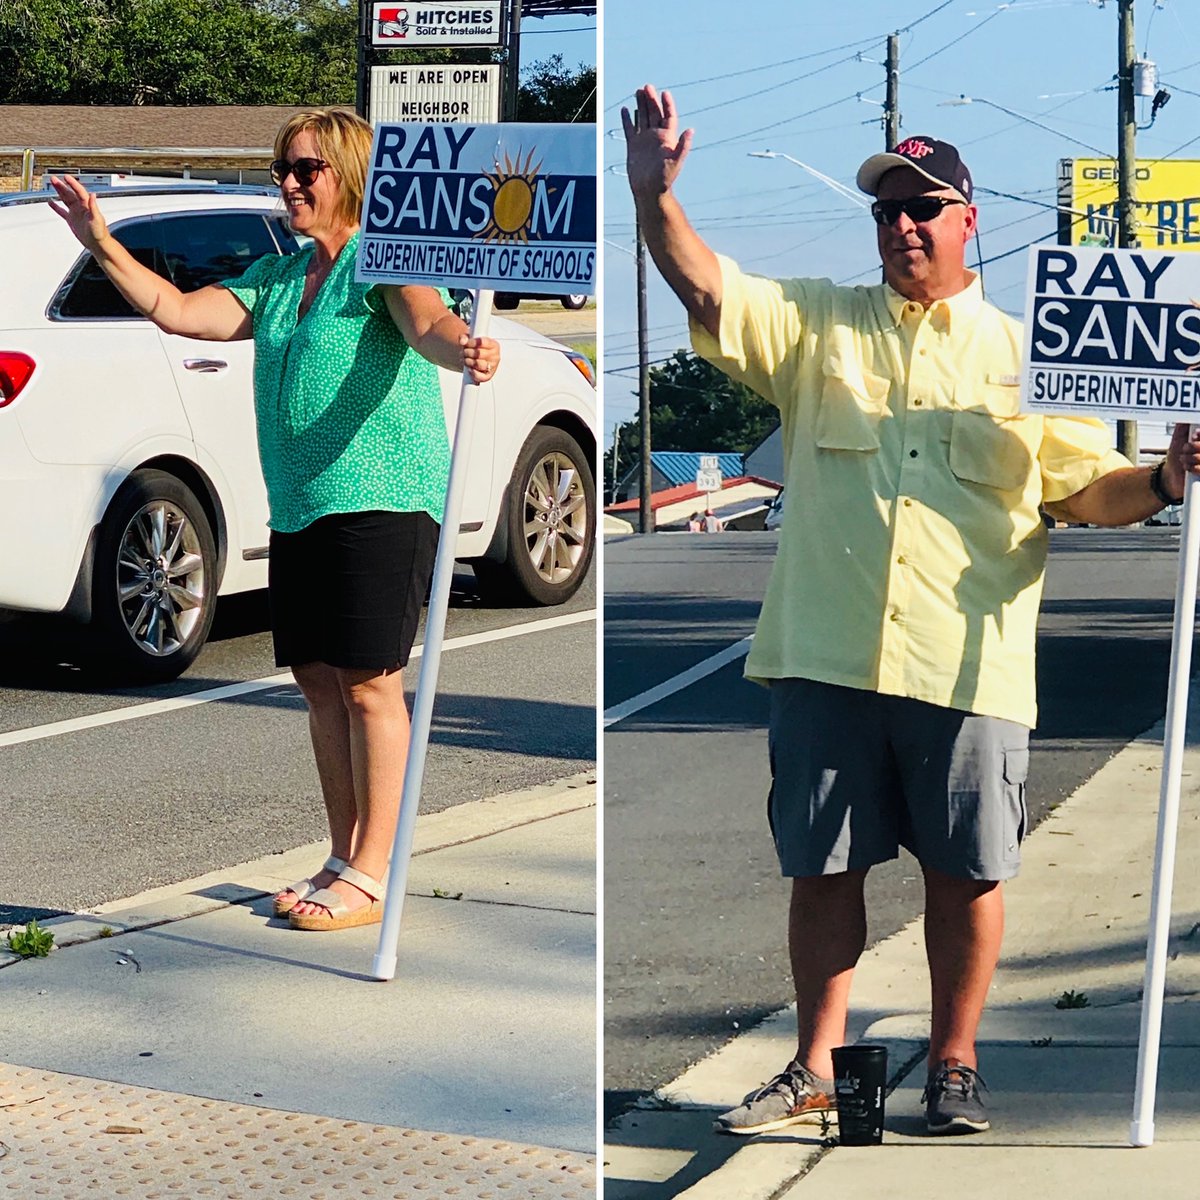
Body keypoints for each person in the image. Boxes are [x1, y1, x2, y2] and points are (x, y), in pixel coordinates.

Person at [623, 83, 1200, 1135]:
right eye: (888, 209)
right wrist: (653, 194)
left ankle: (954, 1066)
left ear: (968, 217)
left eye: (924, 206)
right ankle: (816, 1072)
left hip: (967, 666)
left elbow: (1082, 491)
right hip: (825, 654)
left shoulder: (1030, 353)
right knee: (823, 871)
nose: (902, 224)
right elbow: (708, 292)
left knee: (965, 876)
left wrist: (1162, 481)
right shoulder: (818, 326)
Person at [49, 108, 500, 934]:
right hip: (299, 503)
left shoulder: (381, 262)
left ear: (348, 176)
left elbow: (428, 323)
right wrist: (100, 241)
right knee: (319, 683)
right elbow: (180, 311)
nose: (288, 183)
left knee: (370, 685)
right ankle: (342, 852)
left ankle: (373, 869)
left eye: (306, 170)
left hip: (381, 501)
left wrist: (463, 345)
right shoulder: (281, 276)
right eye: (282, 170)